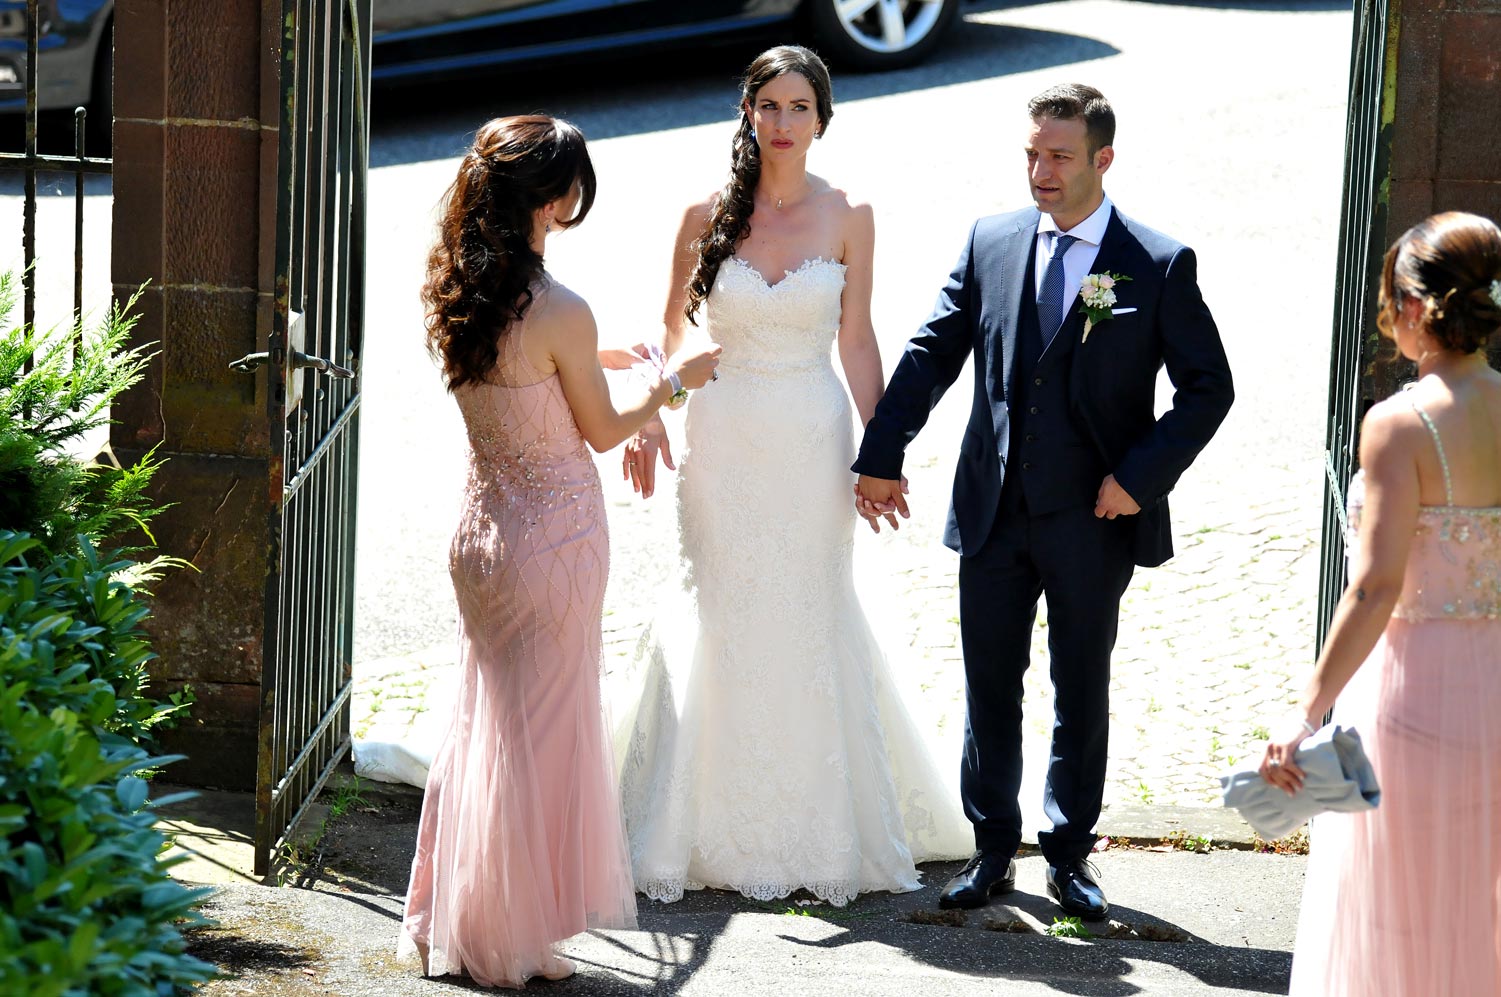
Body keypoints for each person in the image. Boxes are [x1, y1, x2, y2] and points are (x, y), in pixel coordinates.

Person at [852, 84, 1234, 919]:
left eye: (1058, 156)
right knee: (989, 683)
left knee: (1079, 685)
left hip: (1092, 517)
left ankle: (1068, 853)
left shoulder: (1156, 262)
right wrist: (880, 452)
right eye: (1030, 154)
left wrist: (1138, 476)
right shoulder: (991, 241)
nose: (1039, 171)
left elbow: (1208, 387)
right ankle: (992, 846)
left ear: (1102, 159)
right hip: (992, 508)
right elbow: (932, 351)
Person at [617, 45, 971, 907]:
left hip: (813, 439)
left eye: (798, 107)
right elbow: (670, 333)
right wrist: (649, 414)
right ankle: (695, 820)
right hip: (724, 440)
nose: (782, 122)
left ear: (821, 119)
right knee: (723, 606)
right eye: (768, 105)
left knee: (811, 607)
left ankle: (820, 826)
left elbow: (857, 337)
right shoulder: (702, 215)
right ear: (747, 112)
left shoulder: (850, 214)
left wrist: (881, 453)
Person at [397, 115, 720, 987]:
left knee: (483, 725)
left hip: (481, 539)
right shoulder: (560, 309)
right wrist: (675, 383)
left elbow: (526, 373)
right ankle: (510, 934)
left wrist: (604, 354)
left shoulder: (457, 290)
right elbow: (604, 429)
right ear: (553, 200)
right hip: (555, 543)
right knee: (537, 740)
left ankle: (456, 917)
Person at [1261, 212, 1501, 995]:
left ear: (1415, 305)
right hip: (1492, 684)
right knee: (1478, 896)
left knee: (1392, 904)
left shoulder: (1399, 423)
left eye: (1387, 298)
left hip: (1412, 690)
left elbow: (1372, 586)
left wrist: (1305, 712)